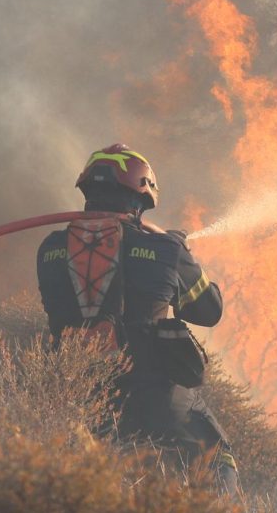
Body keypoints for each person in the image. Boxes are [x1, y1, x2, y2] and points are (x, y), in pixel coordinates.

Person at [35, 144, 239, 493]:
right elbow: (209, 311)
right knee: (216, 456)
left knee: (98, 486)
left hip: (80, 399)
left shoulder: (49, 248)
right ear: (139, 198)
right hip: (157, 396)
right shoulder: (167, 249)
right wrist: (180, 254)